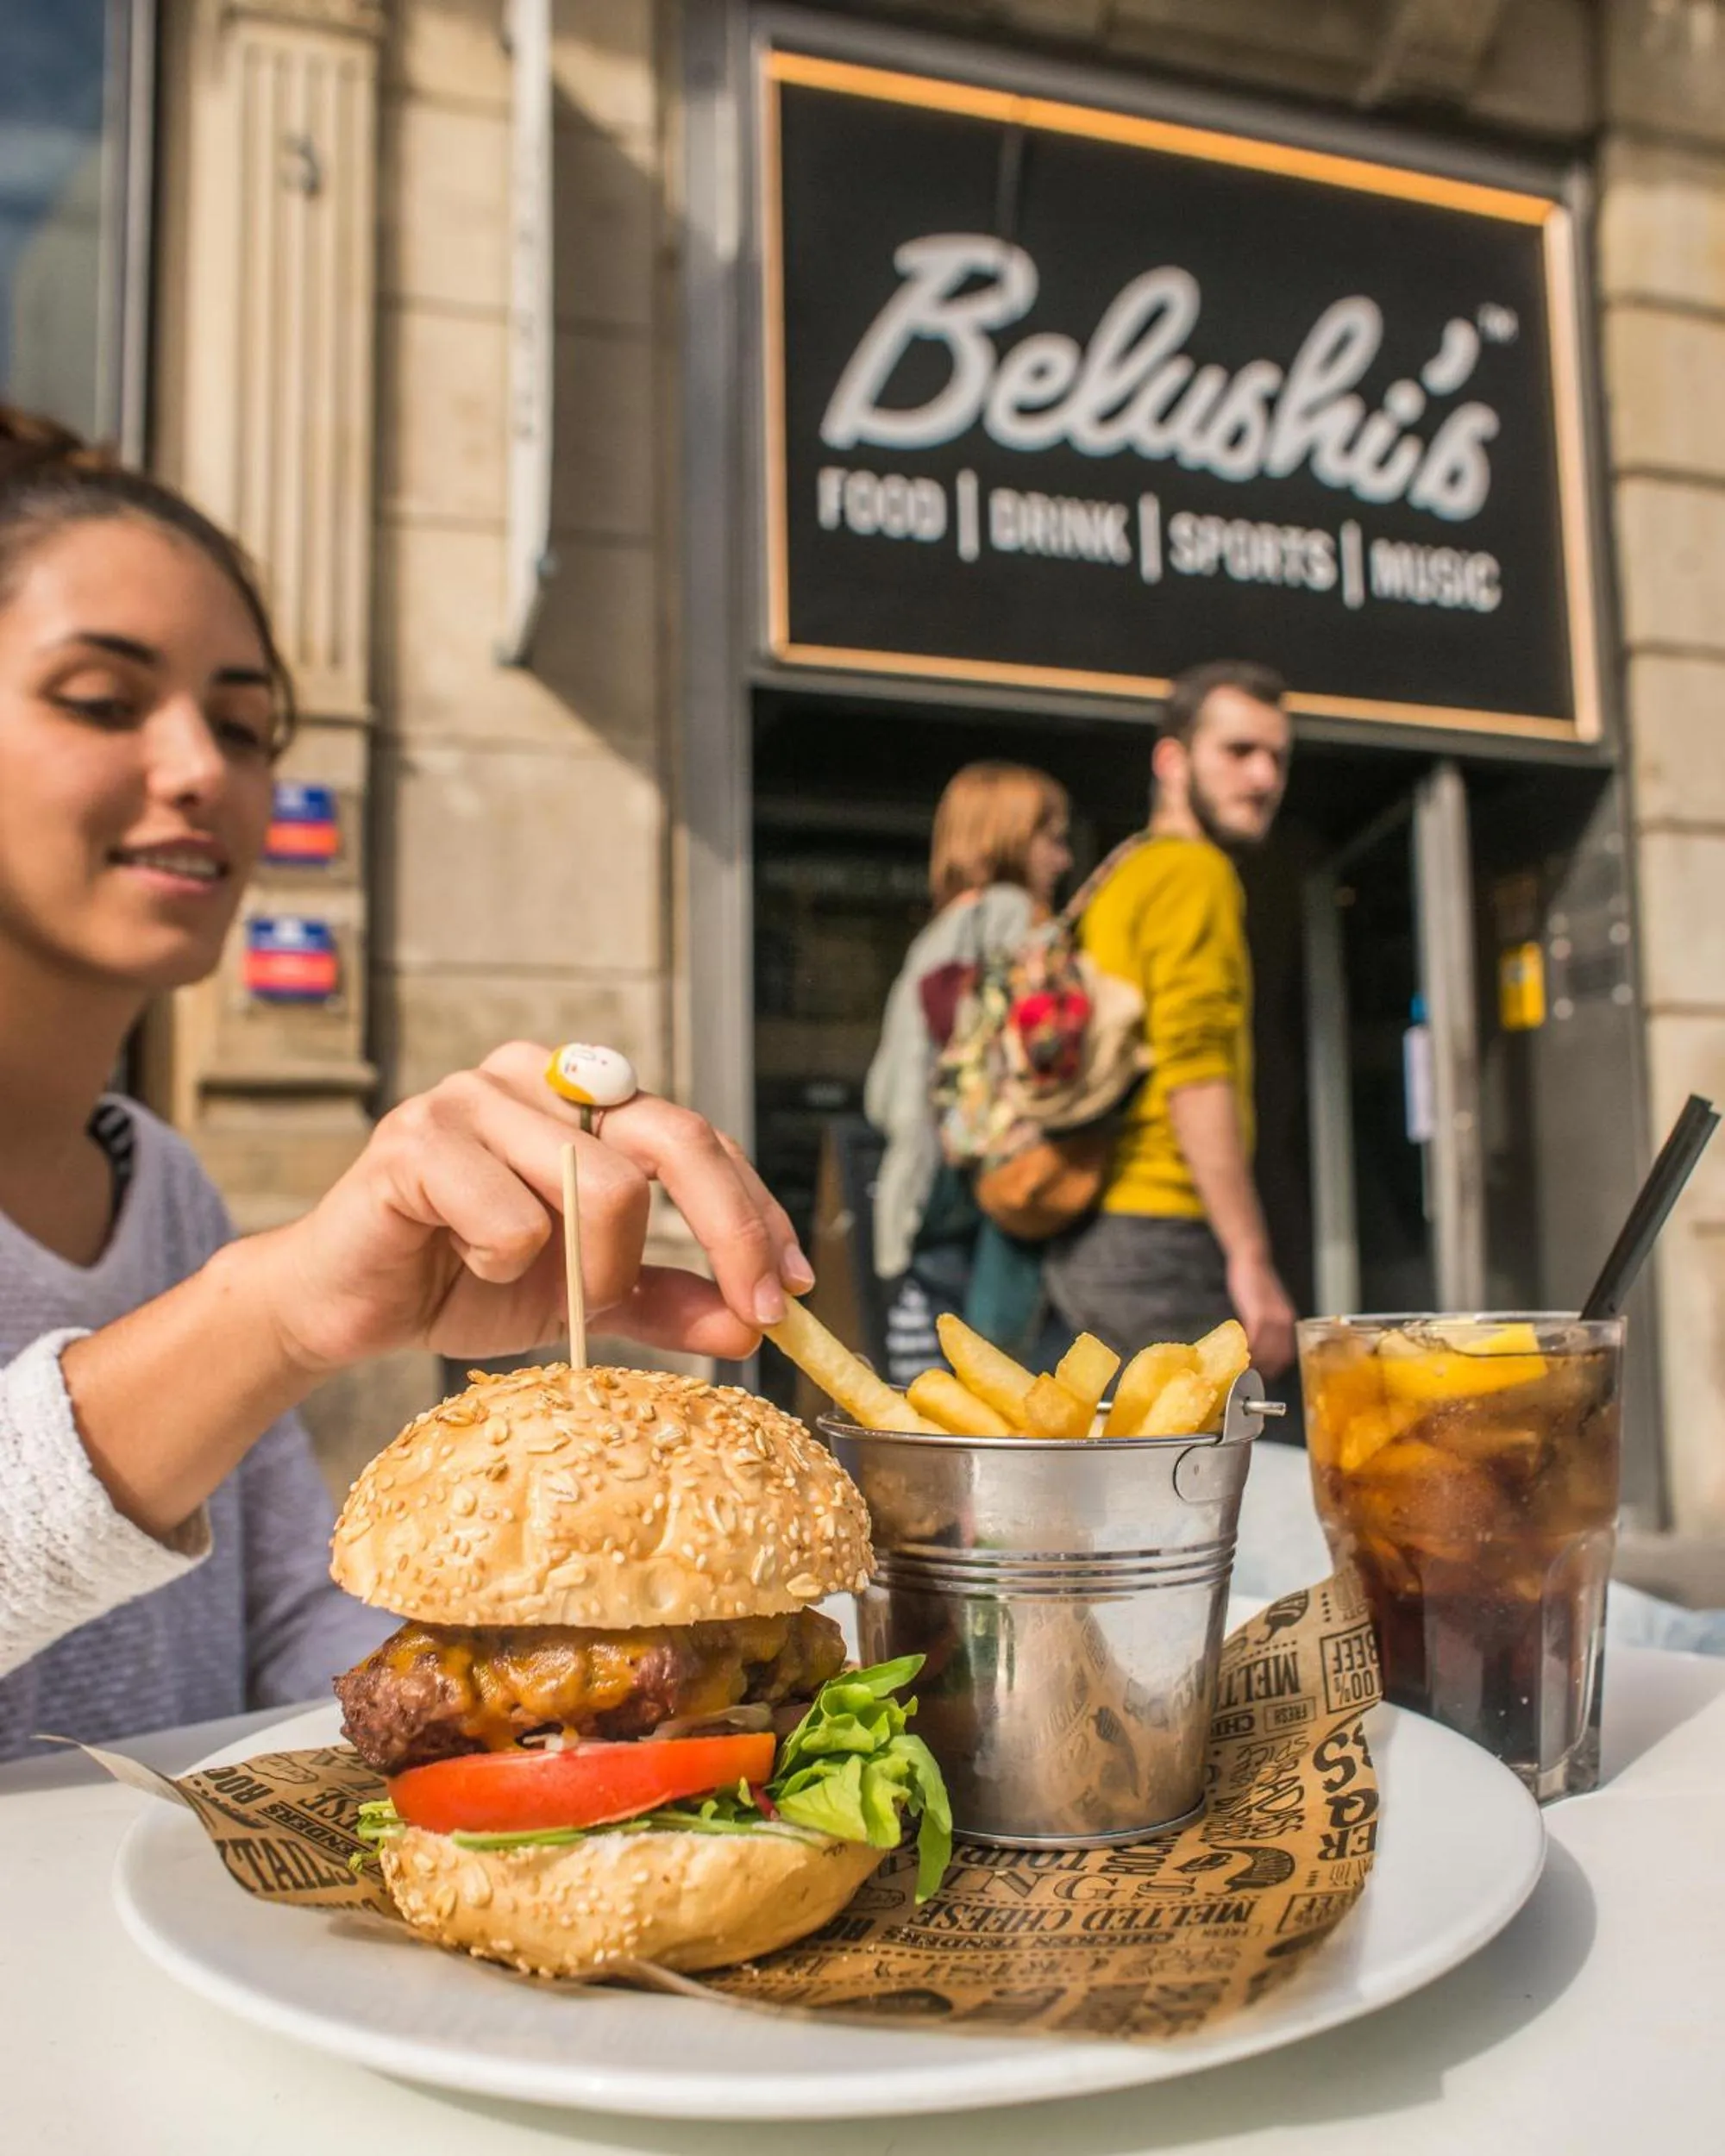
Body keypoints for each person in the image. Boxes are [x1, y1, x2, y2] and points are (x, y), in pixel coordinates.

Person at [0, 407, 806, 1758]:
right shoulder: (225, 1267)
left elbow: (288, 1632)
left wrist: (573, 1667)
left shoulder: (165, 1191)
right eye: (101, 701)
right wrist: (270, 1317)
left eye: (245, 725)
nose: (201, 769)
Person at [1043, 661, 1297, 1374]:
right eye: (1238, 751)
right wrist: (1250, 1256)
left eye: (1277, 758)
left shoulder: (1120, 875)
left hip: (1089, 1233)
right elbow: (1196, 1073)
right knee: (1218, 1444)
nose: (1263, 778)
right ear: (1172, 760)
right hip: (1164, 1233)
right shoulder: (1194, 873)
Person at [865, 762, 1072, 1386]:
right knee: (1004, 1385)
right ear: (1006, 836)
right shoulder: (1014, 913)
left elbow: (884, 1092)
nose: (1062, 859)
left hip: (922, 1191)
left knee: (934, 1385)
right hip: (992, 1186)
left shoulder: (939, 930)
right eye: (1051, 839)